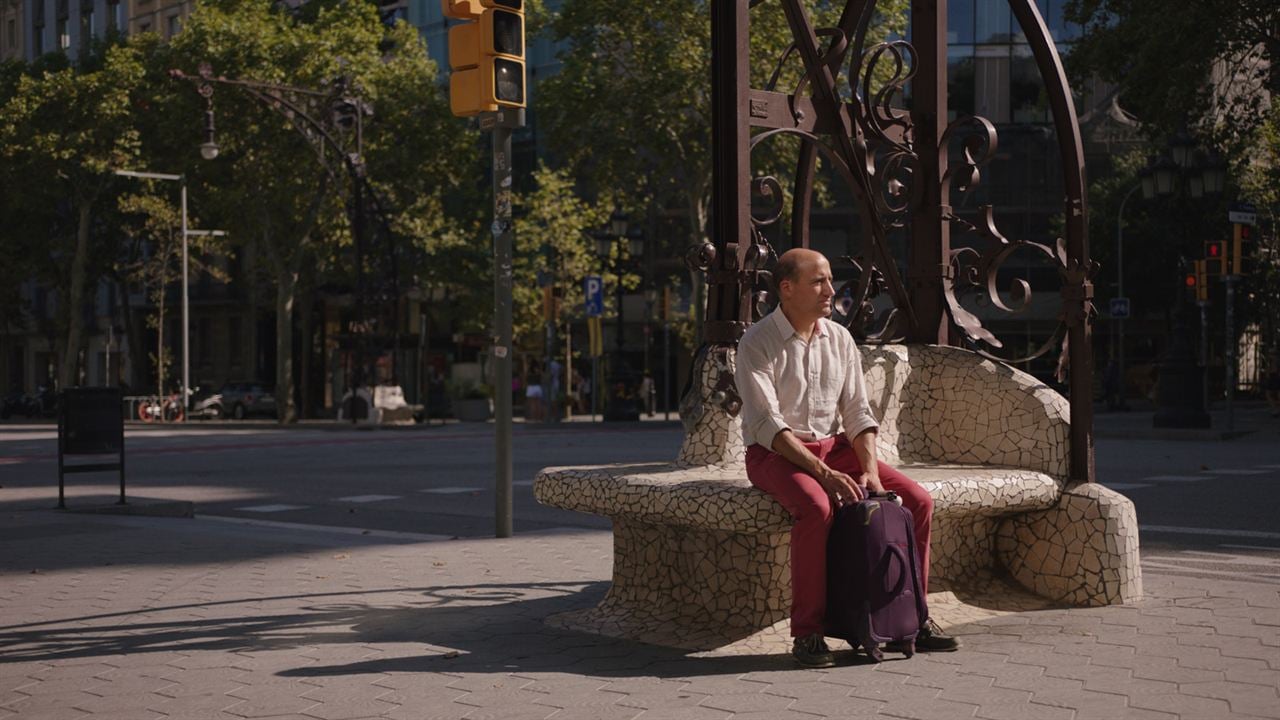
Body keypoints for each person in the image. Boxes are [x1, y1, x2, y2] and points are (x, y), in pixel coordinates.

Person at [735, 248, 959, 668]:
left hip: (834, 447)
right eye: (818, 281)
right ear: (787, 288)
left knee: (916, 501)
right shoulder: (757, 343)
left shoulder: (839, 338)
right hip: (775, 454)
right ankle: (807, 633)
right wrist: (824, 474)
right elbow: (767, 425)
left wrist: (870, 472)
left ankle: (911, 619)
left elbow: (858, 413)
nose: (830, 289)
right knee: (817, 509)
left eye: (829, 279)